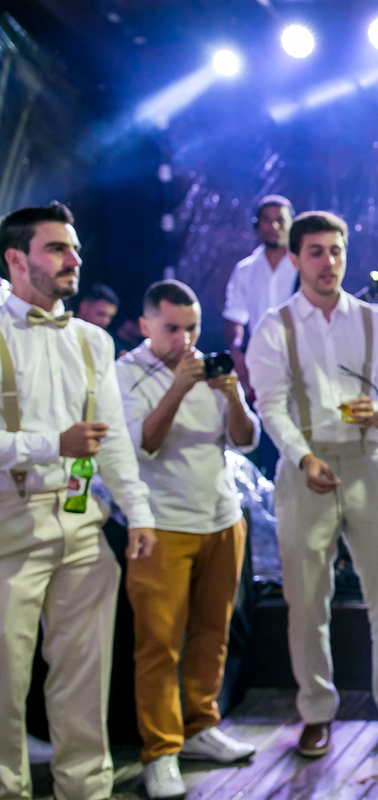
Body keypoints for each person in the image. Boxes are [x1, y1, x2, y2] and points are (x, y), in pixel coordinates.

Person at [245, 211, 378, 757]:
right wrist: (302, 458)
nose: (329, 262)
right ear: (296, 259)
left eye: (337, 250)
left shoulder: (375, 320)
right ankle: (316, 712)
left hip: (369, 460)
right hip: (306, 467)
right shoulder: (275, 326)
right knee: (306, 602)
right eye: (317, 252)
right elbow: (270, 406)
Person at [0, 202, 156, 800]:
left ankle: (85, 791)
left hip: (82, 522)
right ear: (17, 259)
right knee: (5, 683)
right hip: (9, 525)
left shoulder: (93, 340)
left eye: (75, 248)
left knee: (85, 680)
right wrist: (52, 444)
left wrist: (139, 514)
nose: (74, 259)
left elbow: (111, 441)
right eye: (57, 248)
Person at [116, 280, 261, 798]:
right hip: (160, 525)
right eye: (172, 329)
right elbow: (144, 444)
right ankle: (160, 751)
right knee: (159, 644)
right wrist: (178, 387)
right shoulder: (126, 372)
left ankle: (200, 725)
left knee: (213, 633)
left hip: (222, 519)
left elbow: (245, 440)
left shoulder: (210, 367)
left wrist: (233, 396)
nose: (184, 339)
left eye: (192, 328)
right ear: (145, 326)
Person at [223, 195, 295, 400]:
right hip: (261, 367)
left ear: (291, 224)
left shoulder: (304, 266)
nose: (273, 226)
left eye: (280, 220)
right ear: (257, 224)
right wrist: (237, 358)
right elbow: (234, 318)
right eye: (266, 220)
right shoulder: (245, 270)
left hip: (303, 360)